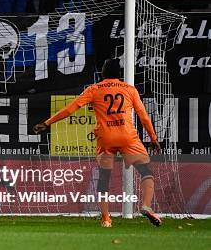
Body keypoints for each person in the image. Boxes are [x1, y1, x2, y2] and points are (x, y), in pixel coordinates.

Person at [33, 58, 163, 228]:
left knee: (104, 177)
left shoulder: (94, 89)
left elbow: (71, 108)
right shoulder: (130, 90)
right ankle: (146, 205)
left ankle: (106, 218)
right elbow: (144, 117)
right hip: (127, 137)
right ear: (119, 74)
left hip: (106, 138)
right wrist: (153, 139)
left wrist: (47, 123)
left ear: (103, 72)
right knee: (146, 172)